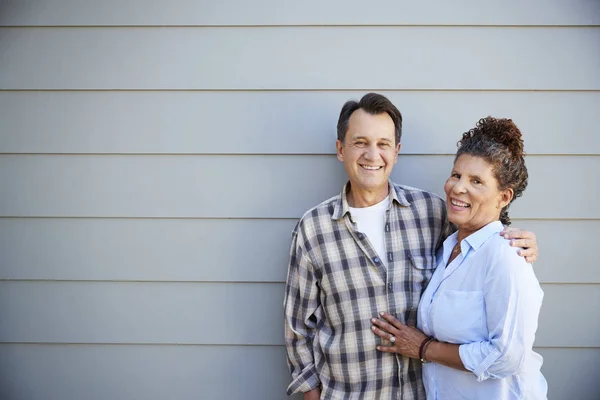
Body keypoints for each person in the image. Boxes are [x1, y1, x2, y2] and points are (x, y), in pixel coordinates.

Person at [284, 93, 539, 399]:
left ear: (397, 151)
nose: (372, 154)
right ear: (341, 149)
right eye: (360, 142)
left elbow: (482, 236)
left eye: (383, 144)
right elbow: (298, 329)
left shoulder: (432, 213)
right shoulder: (313, 229)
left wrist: (518, 241)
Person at [371, 116, 547, 399]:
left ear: (504, 197)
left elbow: (507, 356)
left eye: (476, 181)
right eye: (456, 175)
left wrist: (423, 348)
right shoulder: (447, 247)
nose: (458, 188)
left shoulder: (505, 257)